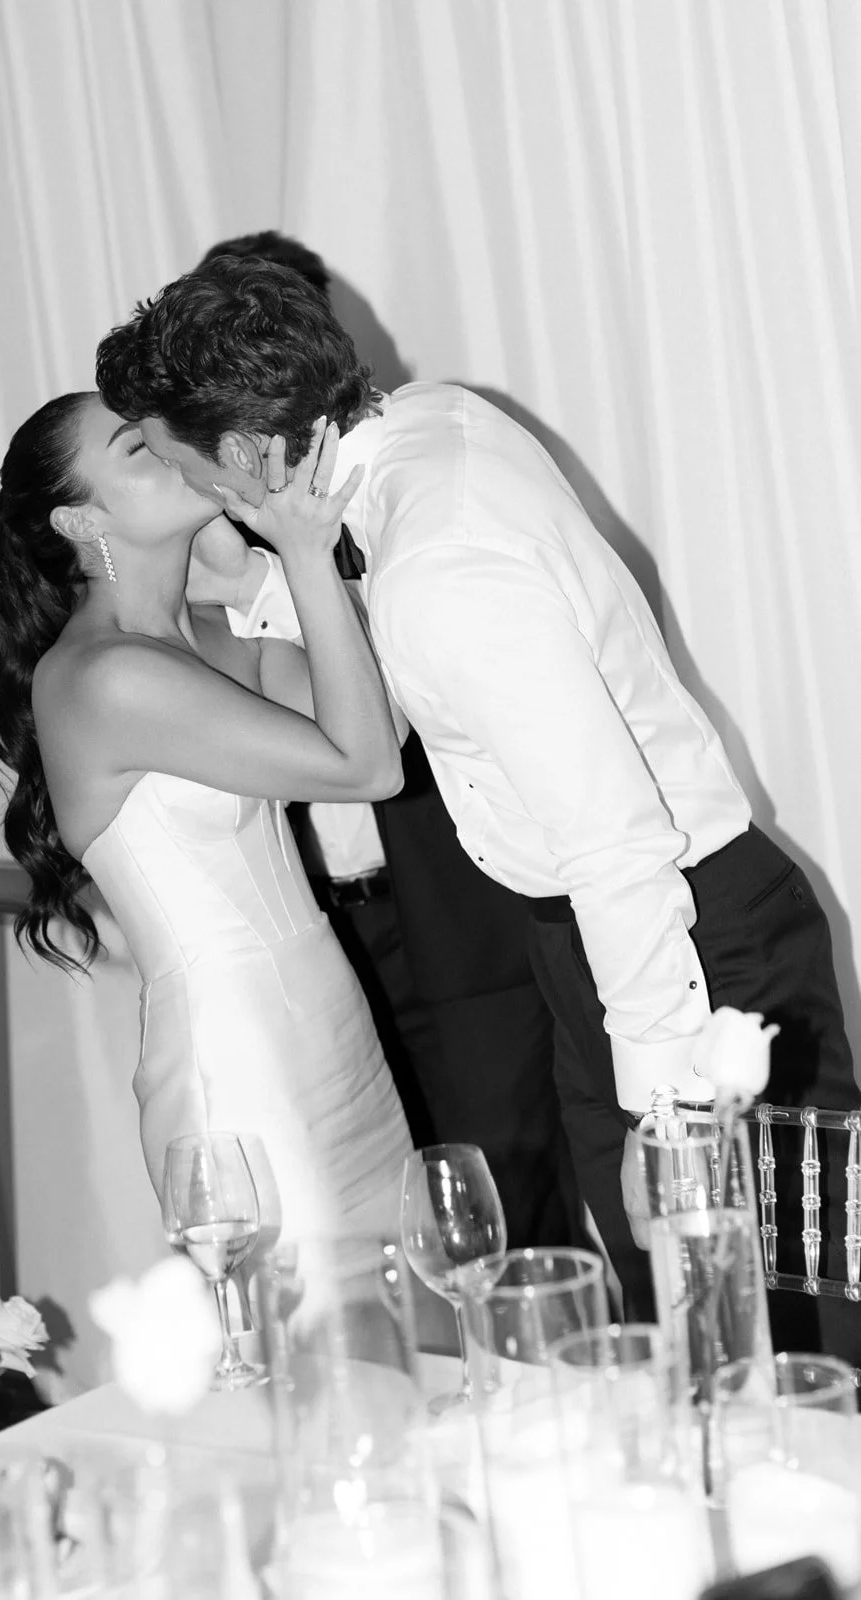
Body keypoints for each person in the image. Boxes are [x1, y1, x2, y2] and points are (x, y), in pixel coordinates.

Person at [94, 256, 860, 1356]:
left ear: (255, 453)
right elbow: (430, 658)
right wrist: (272, 577)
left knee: (773, 1346)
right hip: (629, 933)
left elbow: (614, 847)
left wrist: (662, 1120)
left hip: (678, 948)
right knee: (717, 1332)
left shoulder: (440, 569)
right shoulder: (432, 427)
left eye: (189, 468)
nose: (200, 499)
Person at [195, 230, 579, 1249]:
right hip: (326, 931)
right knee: (379, 1228)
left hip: (458, 916)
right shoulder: (204, 529)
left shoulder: (405, 481)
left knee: (507, 1207)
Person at [0, 392, 414, 1251]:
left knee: (406, 1331)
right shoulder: (103, 677)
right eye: (139, 447)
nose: (177, 448)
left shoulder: (210, 636)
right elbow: (368, 770)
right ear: (77, 519)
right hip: (234, 1050)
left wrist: (257, 570)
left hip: (330, 1018)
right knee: (299, 1348)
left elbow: (381, 726)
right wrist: (304, 553)